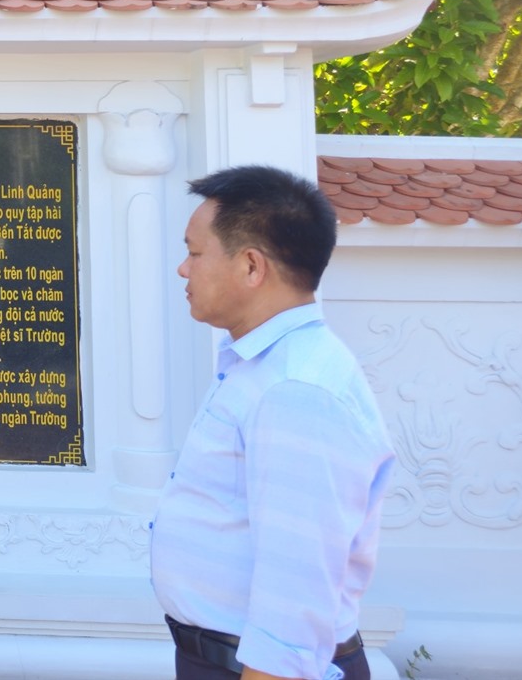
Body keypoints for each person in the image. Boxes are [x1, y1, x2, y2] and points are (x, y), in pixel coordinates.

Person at [152, 165, 396, 680]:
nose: (182, 269)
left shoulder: (295, 389)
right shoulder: (262, 365)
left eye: (195, 253)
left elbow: (296, 587)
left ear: (250, 266)